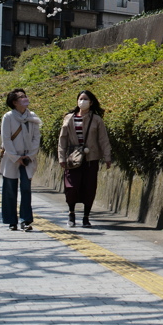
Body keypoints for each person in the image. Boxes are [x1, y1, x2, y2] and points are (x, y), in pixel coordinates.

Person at [57, 90, 112, 228]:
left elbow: (103, 139)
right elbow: (62, 139)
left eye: (85, 99)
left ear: (91, 102)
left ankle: (86, 217)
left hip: (91, 159)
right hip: (73, 159)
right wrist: (61, 157)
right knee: (71, 187)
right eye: (80, 98)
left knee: (89, 188)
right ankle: (71, 213)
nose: (82, 101)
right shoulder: (69, 118)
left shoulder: (96, 119)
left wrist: (107, 157)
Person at [0, 88, 41, 232]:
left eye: (25, 96)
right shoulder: (8, 117)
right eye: (21, 97)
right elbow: (6, 139)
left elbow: (36, 137)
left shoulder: (33, 116)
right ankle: (11, 220)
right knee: (10, 190)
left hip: (28, 158)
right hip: (12, 158)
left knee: (26, 188)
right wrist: (16, 157)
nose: (25, 99)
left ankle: (26, 219)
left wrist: (30, 155)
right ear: (14, 102)